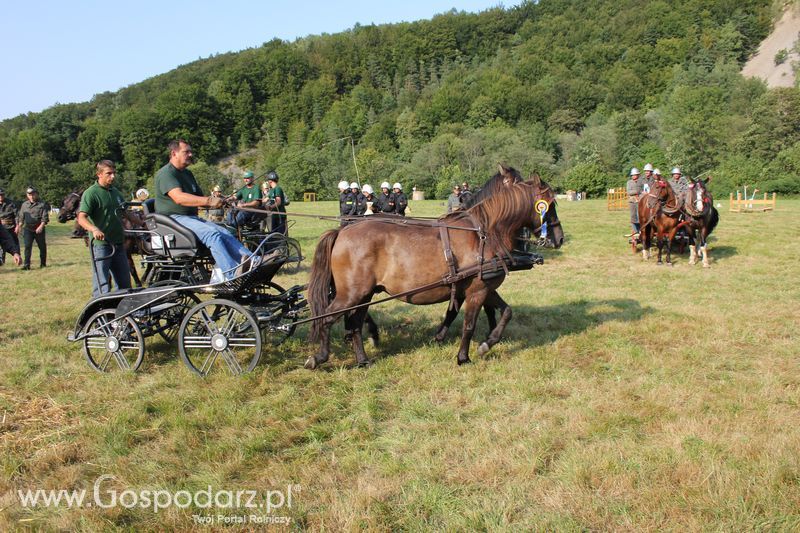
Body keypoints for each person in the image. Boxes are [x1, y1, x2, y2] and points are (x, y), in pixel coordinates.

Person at [154, 139, 256, 280]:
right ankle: (232, 273)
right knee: (212, 234)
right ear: (174, 153)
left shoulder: (187, 174)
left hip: (190, 218)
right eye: (186, 152)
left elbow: (198, 198)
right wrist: (210, 201)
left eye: (191, 151)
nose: (190, 154)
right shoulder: (166, 174)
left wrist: (221, 202)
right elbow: (179, 198)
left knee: (224, 232)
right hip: (173, 220)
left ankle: (254, 262)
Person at [77, 160, 133, 296]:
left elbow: (126, 213)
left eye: (114, 173)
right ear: (99, 174)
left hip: (119, 244)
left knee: (125, 284)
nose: (113, 176)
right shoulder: (91, 193)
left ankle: (124, 313)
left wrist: (144, 223)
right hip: (101, 246)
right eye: (109, 173)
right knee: (102, 284)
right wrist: (94, 229)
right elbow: (81, 218)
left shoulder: (116, 193)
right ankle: (102, 314)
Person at [16, 186, 49, 270]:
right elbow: (21, 217)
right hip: (28, 229)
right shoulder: (24, 204)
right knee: (27, 247)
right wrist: (19, 226)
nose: (31, 196)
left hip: (39, 228)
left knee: (42, 247)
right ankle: (26, 265)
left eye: (33, 194)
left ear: (36, 194)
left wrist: (41, 226)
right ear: (27, 195)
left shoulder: (42, 204)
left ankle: (43, 264)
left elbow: (45, 218)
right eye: (29, 194)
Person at [0, 188, 20, 265]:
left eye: (2, 195)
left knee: (14, 243)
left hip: (11, 227)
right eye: (0, 195)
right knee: (2, 246)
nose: (1, 196)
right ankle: (2, 261)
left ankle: (18, 259)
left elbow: (16, 216)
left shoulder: (10, 203)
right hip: (1, 227)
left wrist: (17, 226)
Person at [263, 171, 287, 235]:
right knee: (273, 233)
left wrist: (270, 207)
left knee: (280, 234)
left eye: (268, 181)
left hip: (280, 215)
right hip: (274, 215)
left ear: (270, 181)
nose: (267, 182)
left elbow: (278, 202)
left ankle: (282, 245)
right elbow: (266, 199)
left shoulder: (278, 189)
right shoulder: (271, 190)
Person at [626, 168, 642, 237]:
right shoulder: (629, 182)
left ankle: (642, 230)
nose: (633, 176)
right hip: (632, 201)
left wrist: (638, 192)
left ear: (638, 175)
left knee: (641, 216)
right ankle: (635, 231)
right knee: (633, 216)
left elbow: (643, 190)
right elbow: (629, 192)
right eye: (632, 175)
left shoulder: (641, 181)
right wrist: (637, 191)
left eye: (635, 175)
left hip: (641, 201)